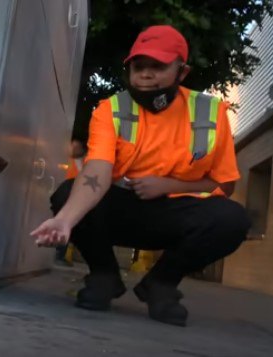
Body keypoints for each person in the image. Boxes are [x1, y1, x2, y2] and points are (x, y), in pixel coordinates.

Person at [30, 25, 250, 327]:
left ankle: (161, 285)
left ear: (181, 72)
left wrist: (168, 186)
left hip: (175, 214)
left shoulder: (210, 113)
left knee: (232, 219)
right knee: (67, 194)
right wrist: (65, 220)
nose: (145, 74)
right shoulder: (111, 110)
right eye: (138, 66)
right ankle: (104, 276)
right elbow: (96, 171)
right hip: (121, 209)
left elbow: (225, 183)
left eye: (157, 66)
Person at [54, 139, 87, 265]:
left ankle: (60, 255)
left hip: (73, 196)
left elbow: (83, 176)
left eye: (76, 146)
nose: (73, 147)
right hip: (64, 194)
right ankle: (58, 254)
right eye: (72, 145)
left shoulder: (83, 161)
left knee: (67, 224)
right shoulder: (67, 160)